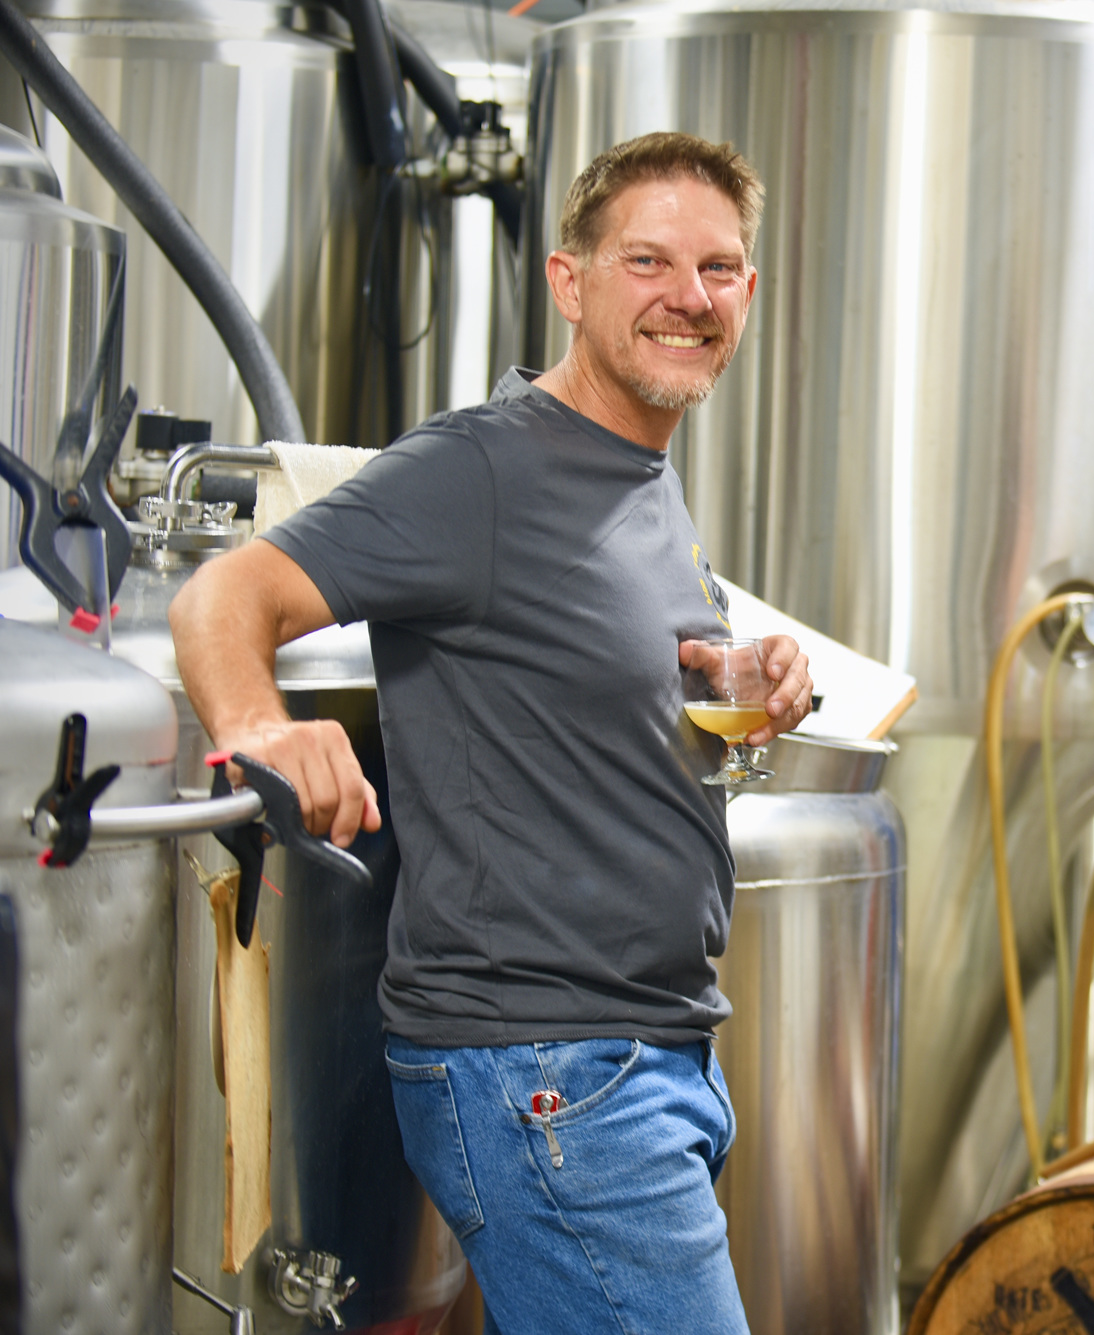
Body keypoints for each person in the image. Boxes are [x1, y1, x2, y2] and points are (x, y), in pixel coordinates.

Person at [169, 132, 810, 1333]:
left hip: (638, 1059)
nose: (689, 297)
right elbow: (221, 598)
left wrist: (735, 669)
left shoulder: (636, 470)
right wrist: (261, 723)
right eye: (648, 262)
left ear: (749, 292)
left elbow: (586, 663)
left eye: (717, 268)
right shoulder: (481, 469)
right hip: (549, 1072)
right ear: (569, 283)